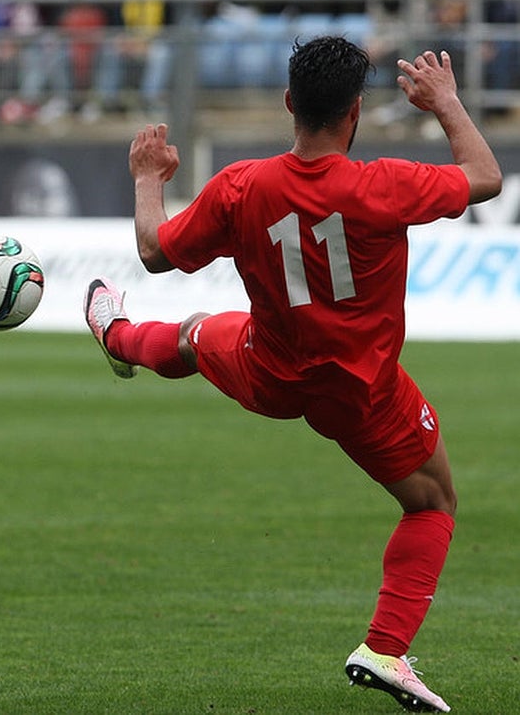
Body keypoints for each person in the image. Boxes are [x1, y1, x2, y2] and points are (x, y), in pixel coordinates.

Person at [83, 37, 500, 713]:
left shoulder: (240, 186)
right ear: (355, 112)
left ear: (288, 104)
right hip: (364, 394)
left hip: (269, 372)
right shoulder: (384, 185)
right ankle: (385, 649)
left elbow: (156, 252)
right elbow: (484, 177)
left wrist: (148, 179)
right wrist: (446, 104)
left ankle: (119, 335)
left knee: (192, 336)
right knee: (432, 505)